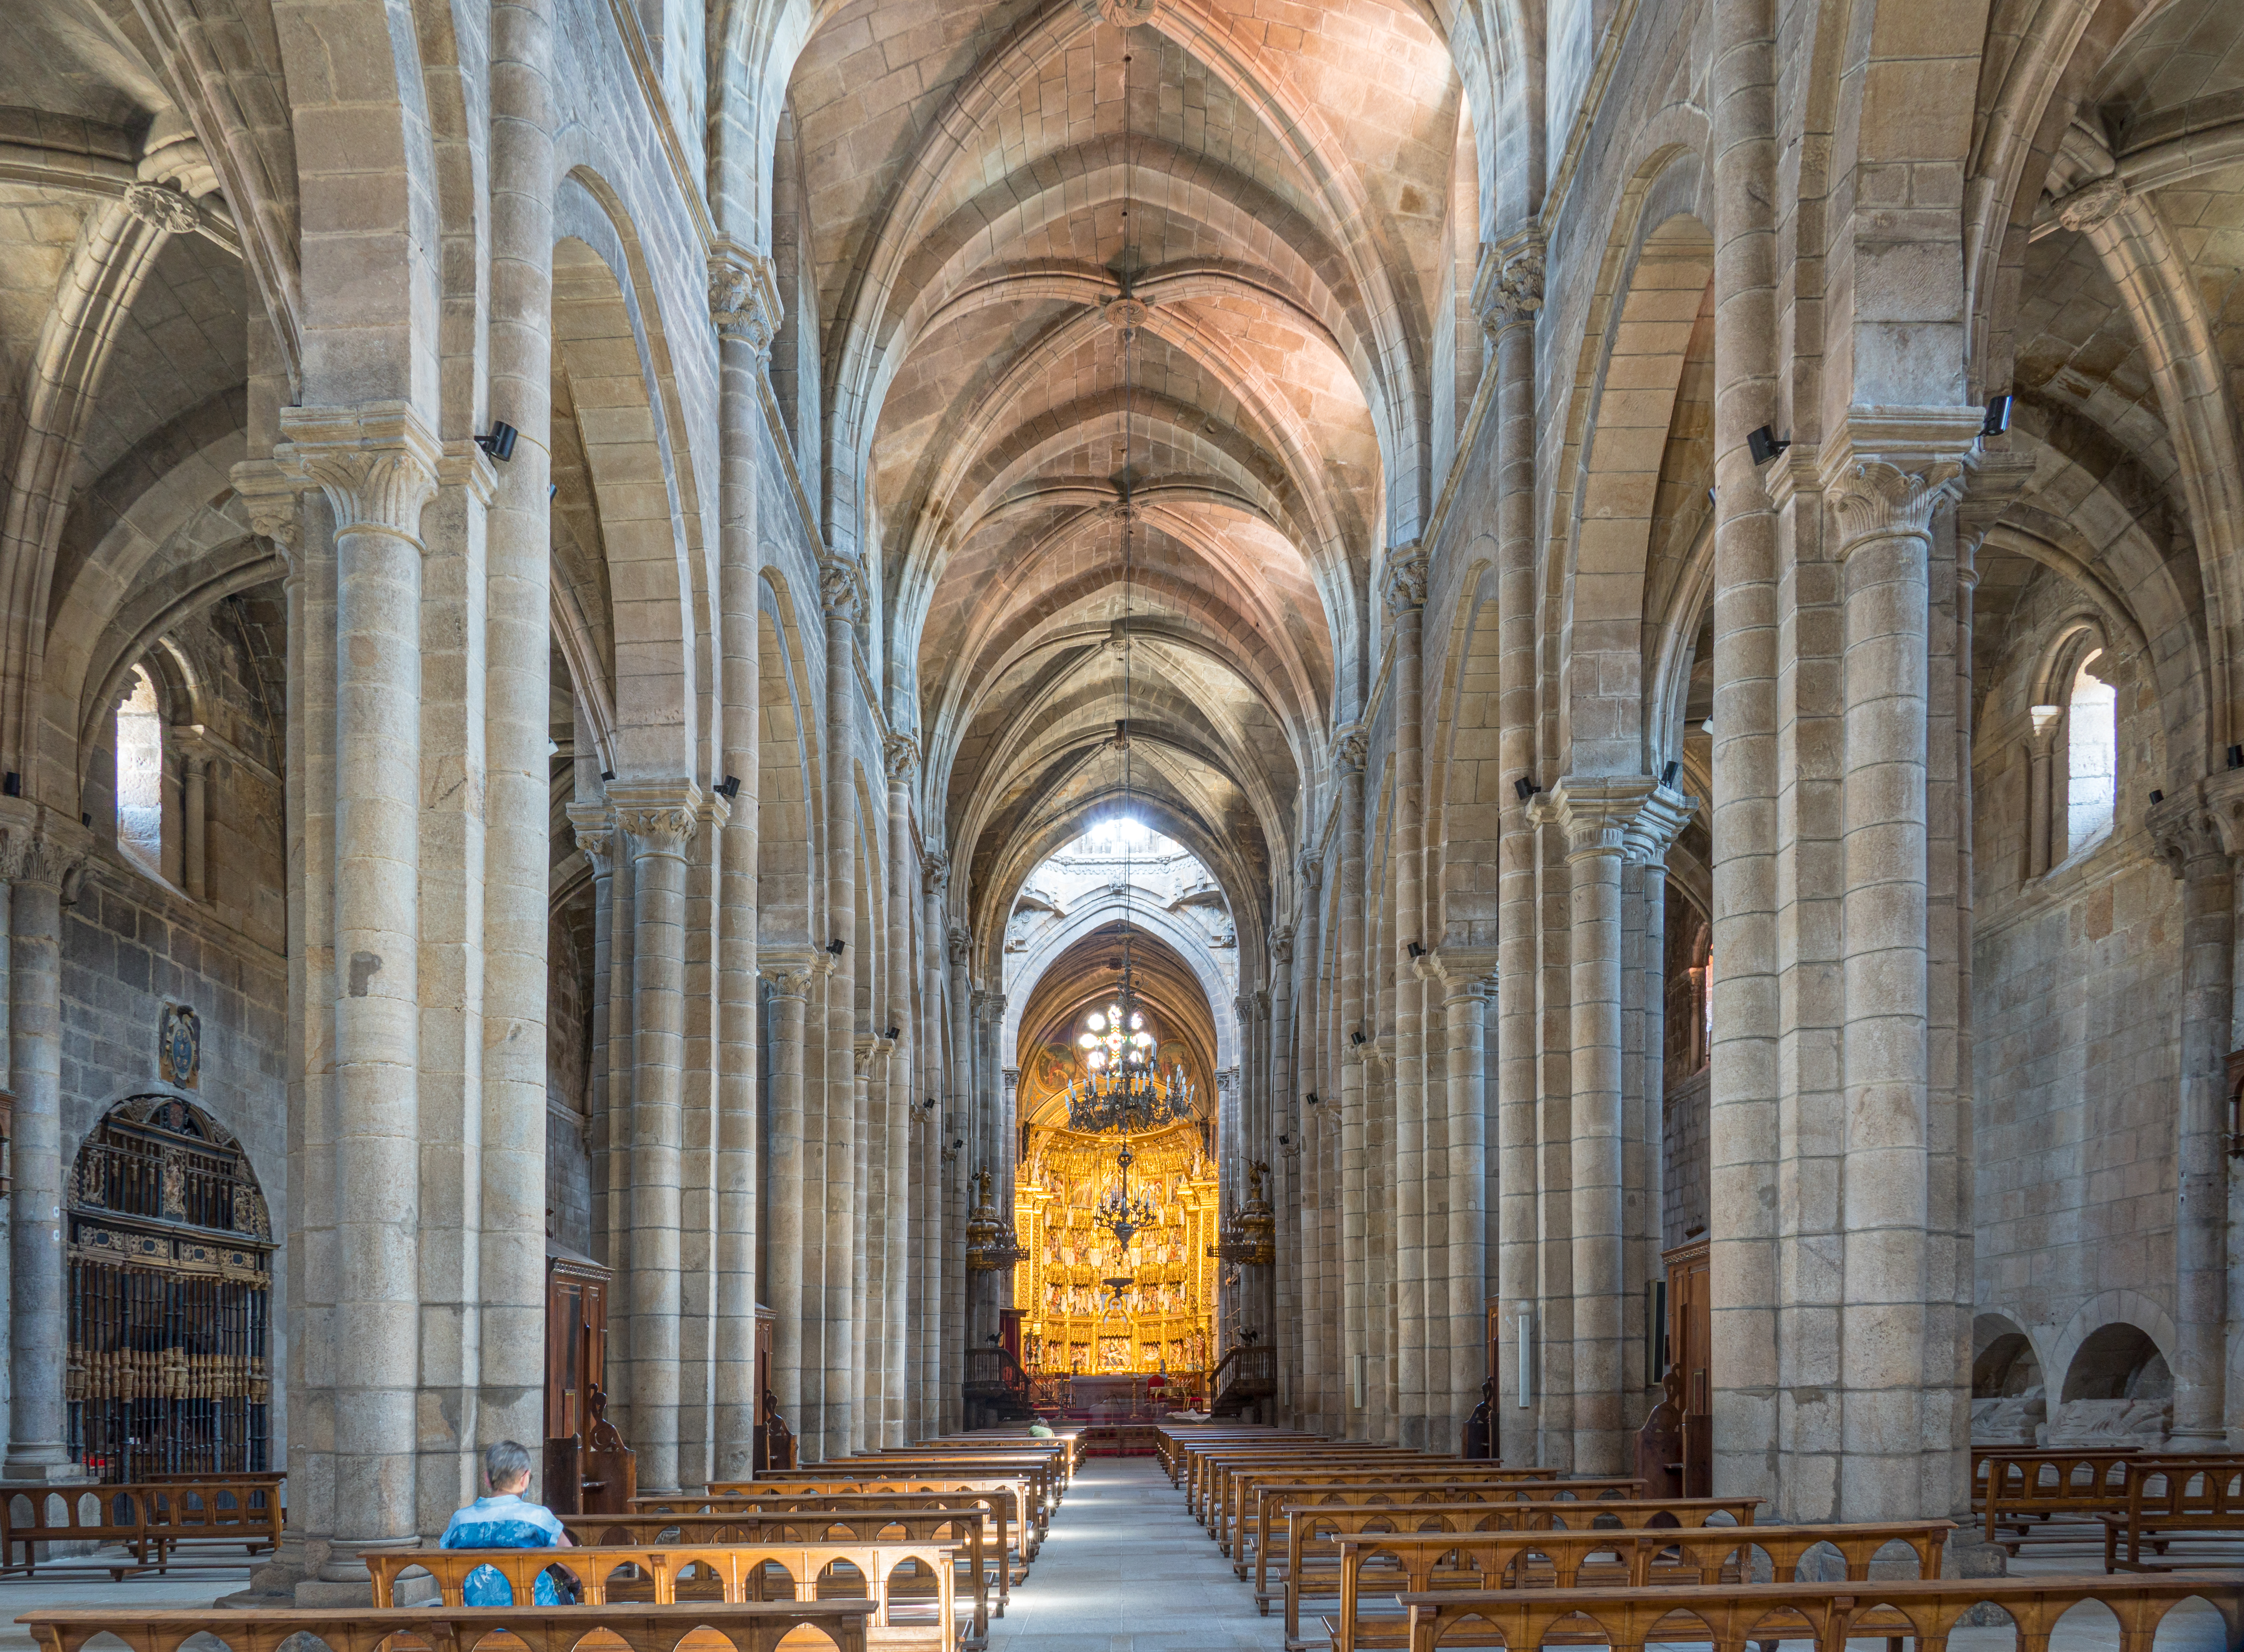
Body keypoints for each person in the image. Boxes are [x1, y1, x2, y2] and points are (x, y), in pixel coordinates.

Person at [440, 1439, 573, 1605]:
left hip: (473, 1618)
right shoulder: (539, 1518)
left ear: (487, 1479)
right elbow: (574, 1567)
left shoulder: (460, 1521)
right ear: (525, 1480)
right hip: (535, 1617)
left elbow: (443, 1566)